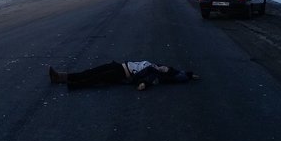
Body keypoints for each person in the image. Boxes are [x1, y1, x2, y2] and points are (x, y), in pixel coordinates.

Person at [49, 60, 199, 90]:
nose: (164, 68)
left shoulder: (154, 74)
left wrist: (143, 85)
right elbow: (177, 71)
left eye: (166, 70)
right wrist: (190, 74)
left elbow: (148, 80)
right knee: (90, 72)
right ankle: (62, 76)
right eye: (166, 67)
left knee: (94, 79)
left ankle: (72, 85)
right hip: (118, 65)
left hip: (120, 74)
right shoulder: (155, 65)